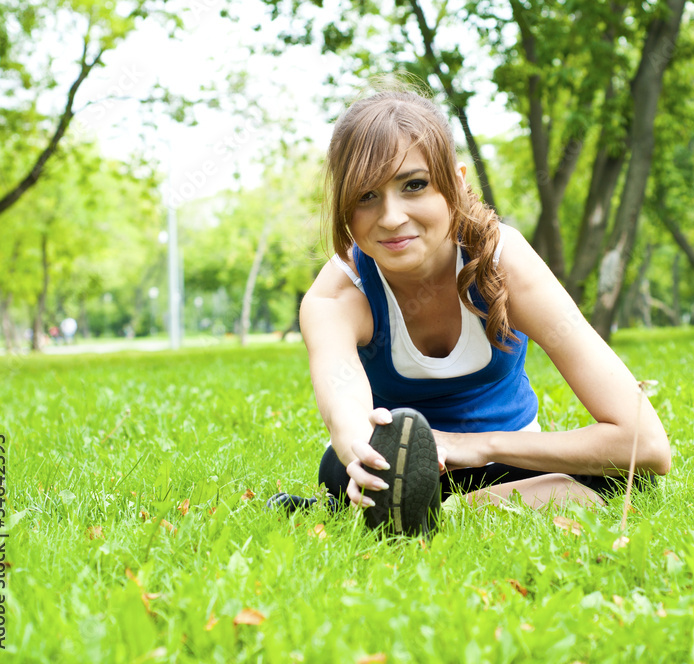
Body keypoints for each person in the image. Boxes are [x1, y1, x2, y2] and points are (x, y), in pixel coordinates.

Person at [271, 89, 670, 531]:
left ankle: (434, 514)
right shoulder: (338, 294)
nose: (390, 217)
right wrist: (356, 449)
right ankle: (424, 507)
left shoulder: (504, 261)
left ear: (456, 182)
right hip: (398, 471)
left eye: (414, 185)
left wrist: (476, 446)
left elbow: (646, 443)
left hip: (509, 462)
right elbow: (343, 410)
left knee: (627, 478)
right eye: (366, 196)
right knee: (339, 471)